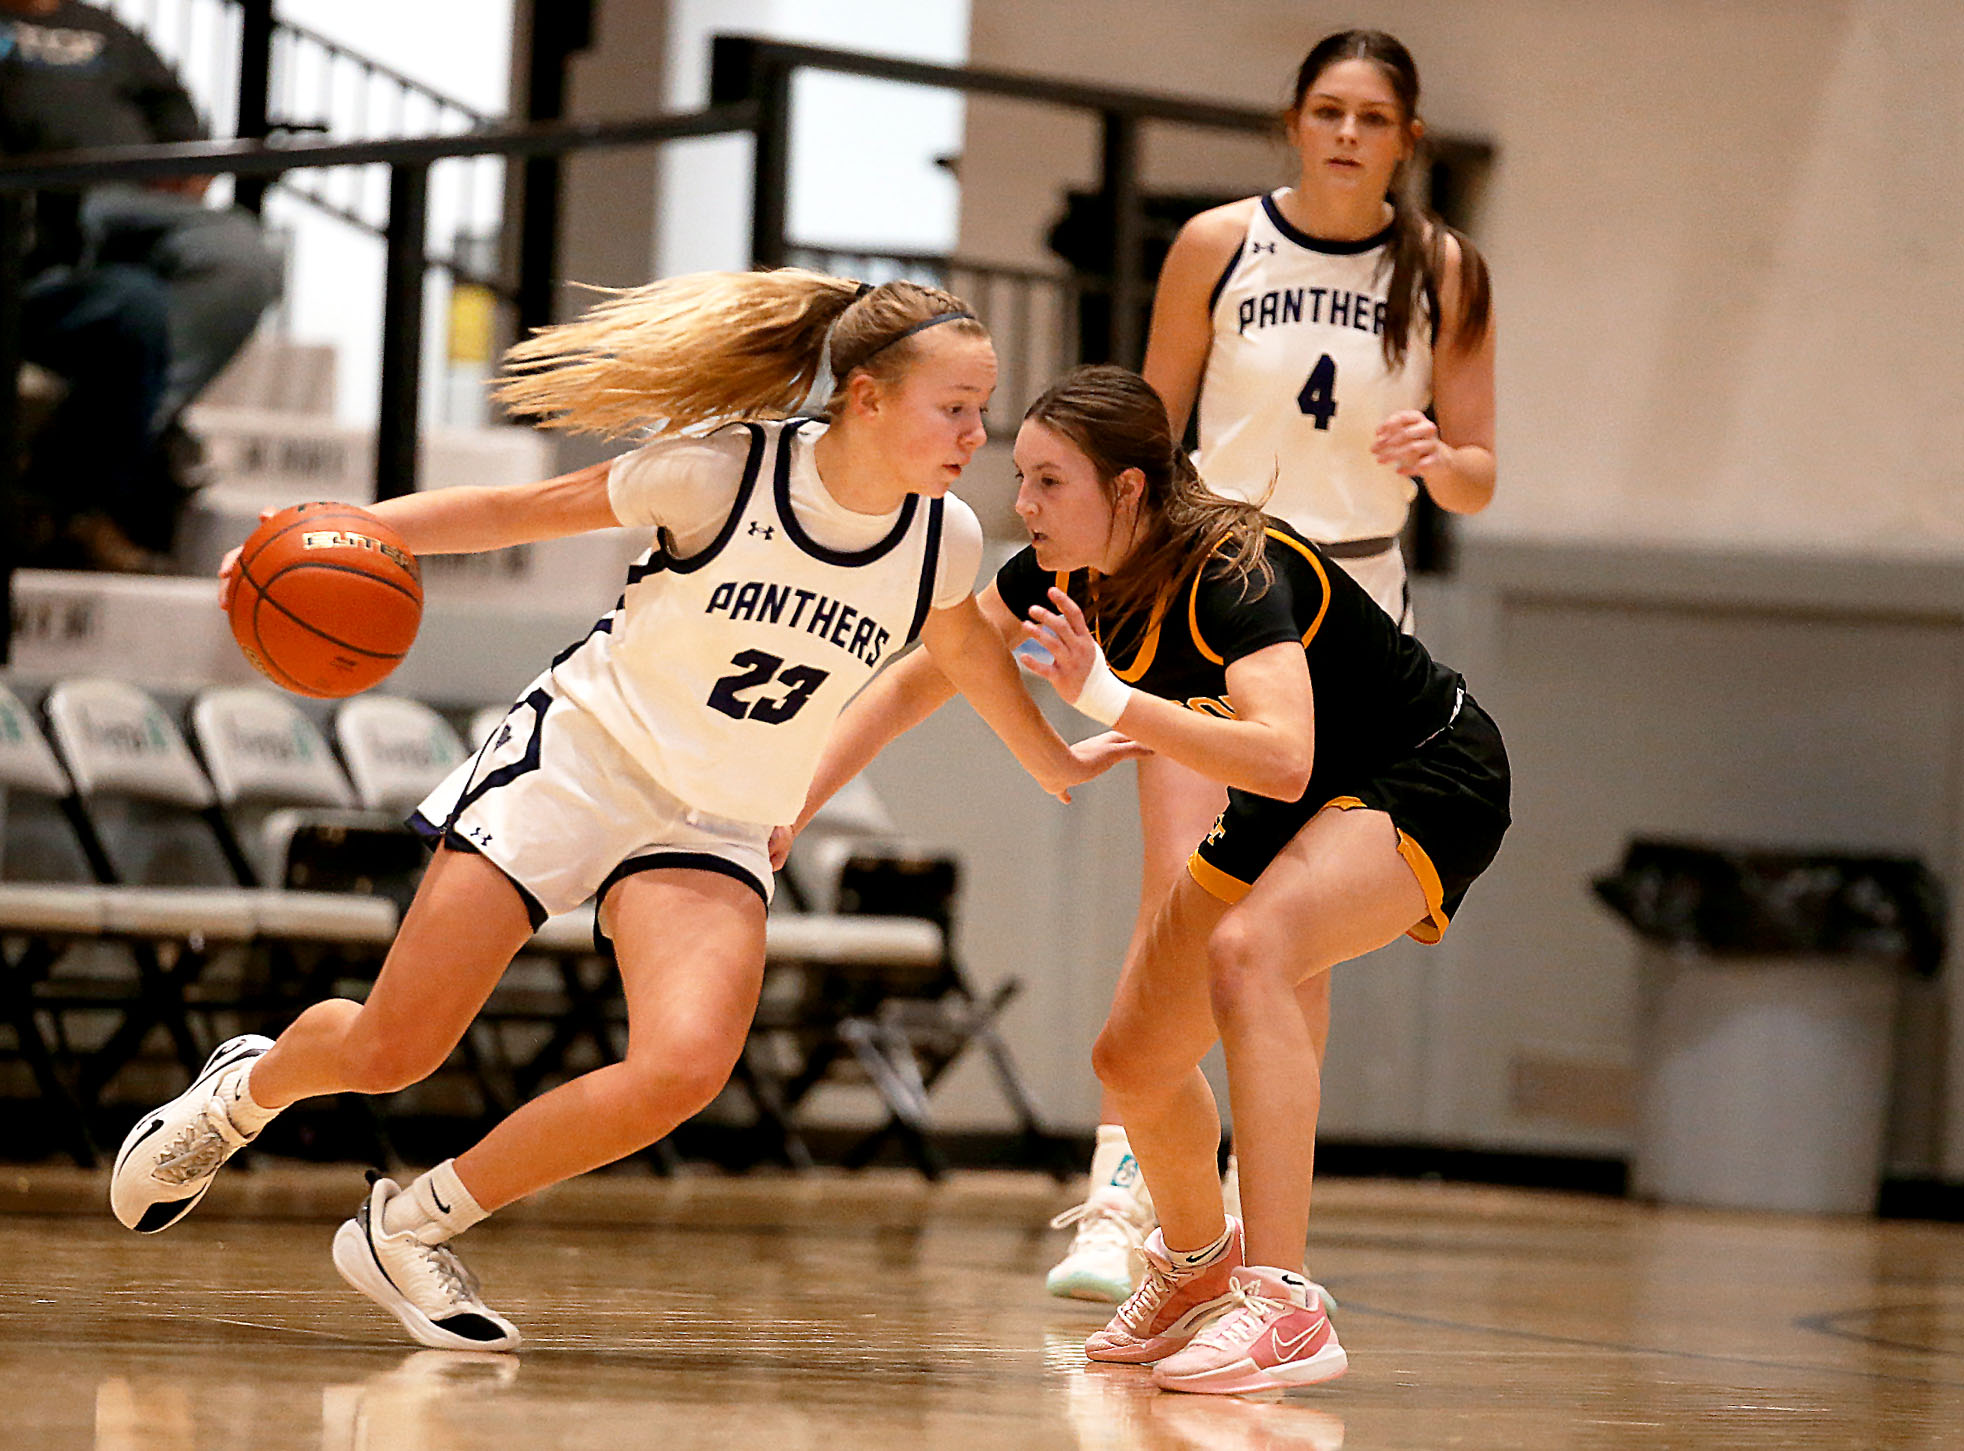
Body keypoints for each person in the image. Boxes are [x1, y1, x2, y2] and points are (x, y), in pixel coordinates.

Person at [107, 271, 1141, 1352]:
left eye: (984, 408)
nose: (978, 433)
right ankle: (239, 1095)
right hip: (582, 760)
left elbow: (967, 657)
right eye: (956, 407)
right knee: (392, 1047)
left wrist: (1055, 760)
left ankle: (409, 1226)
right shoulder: (721, 472)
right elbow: (517, 509)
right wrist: (324, 533)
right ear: (868, 396)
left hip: (716, 814)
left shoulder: (945, 539)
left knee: (681, 1068)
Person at [781, 365, 1510, 1392]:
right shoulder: (1059, 572)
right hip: (1289, 796)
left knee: (1251, 953)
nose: (1021, 504)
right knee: (1130, 1060)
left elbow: (1284, 754)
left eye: (1047, 481)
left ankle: (1283, 1302)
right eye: (1021, 478)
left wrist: (1106, 695)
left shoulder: (1231, 567)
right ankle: (1196, 1264)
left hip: (1423, 772)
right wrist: (793, 801)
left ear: (1126, 490)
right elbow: (923, 673)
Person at [1045, 26, 1498, 1305]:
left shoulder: (1444, 269)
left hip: (1354, 587)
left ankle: (1255, 1208)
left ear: (1406, 137)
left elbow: (1479, 468)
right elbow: (1135, 423)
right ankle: (1120, 1186)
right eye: (1325, 109)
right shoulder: (1215, 242)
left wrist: (1435, 457)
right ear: (1291, 122)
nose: (1346, 132)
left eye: (1372, 115)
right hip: (1221, 580)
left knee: (1295, 932)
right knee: (1174, 897)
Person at [0, 0, 284, 558]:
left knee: (240, 253)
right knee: (136, 304)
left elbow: (180, 121)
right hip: (34, 201)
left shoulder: (106, 29)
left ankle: (119, 430)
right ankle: (118, 453)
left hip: (134, 199)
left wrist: (184, 170)